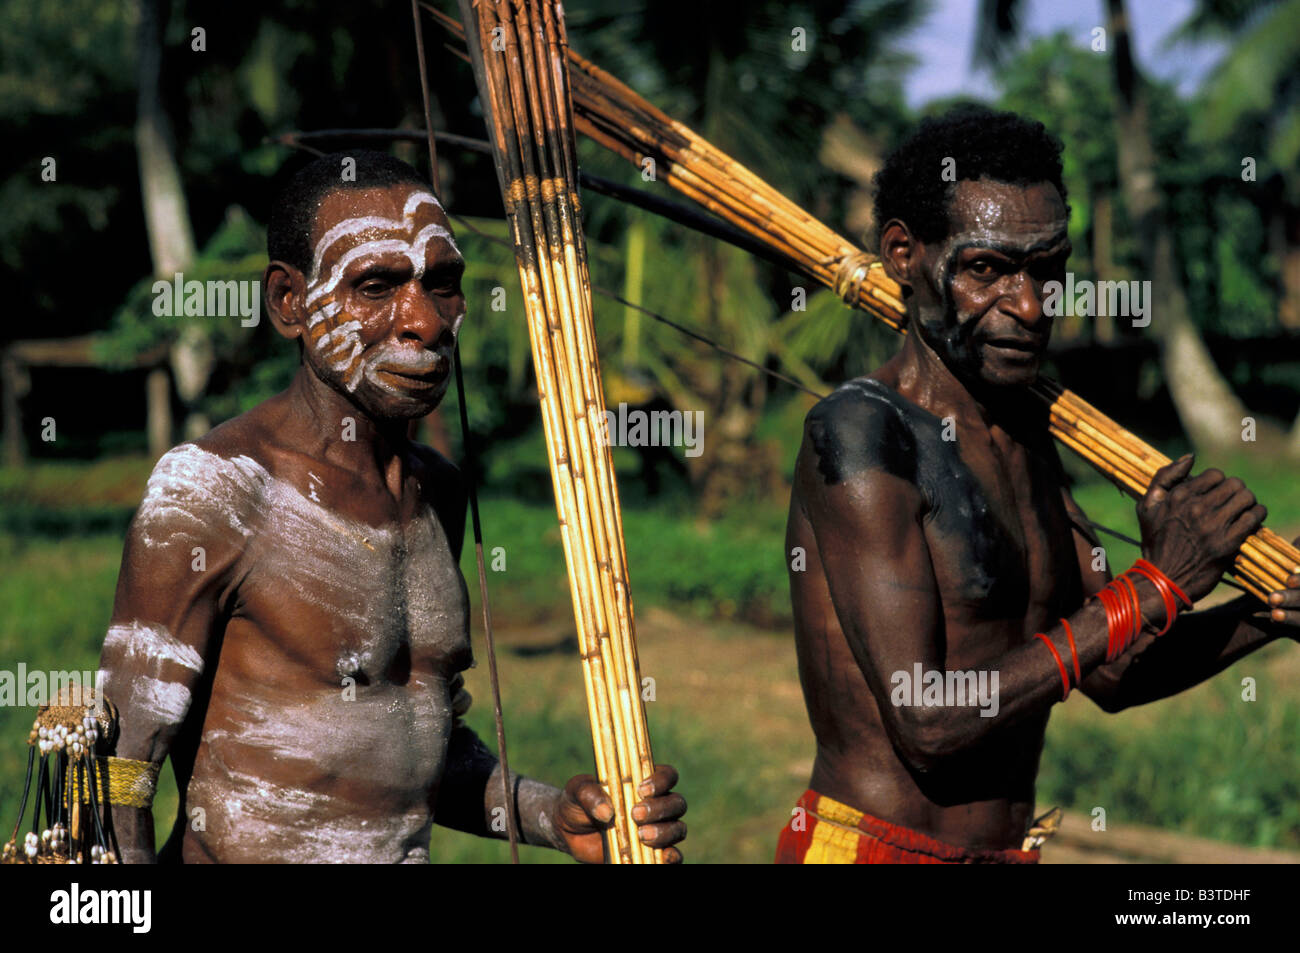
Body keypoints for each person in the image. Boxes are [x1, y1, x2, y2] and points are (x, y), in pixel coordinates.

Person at [97, 150, 686, 863]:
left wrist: (544, 815)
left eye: (443, 284)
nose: (427, 321)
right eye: (377, 285)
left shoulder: (436, 491)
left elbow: (404, 745)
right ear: (290, 303)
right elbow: (116, 773)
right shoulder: (216, 491)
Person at [779, 107, 1299, 864]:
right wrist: (1155, 585)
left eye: (1049, 271)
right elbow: (928, 721)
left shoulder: (1028, 437)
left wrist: (1268, 611)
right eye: (987, 269)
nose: (1029, 308)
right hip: (870, 850)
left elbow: (1114, 669)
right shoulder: (860, 432)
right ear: (902, 253)